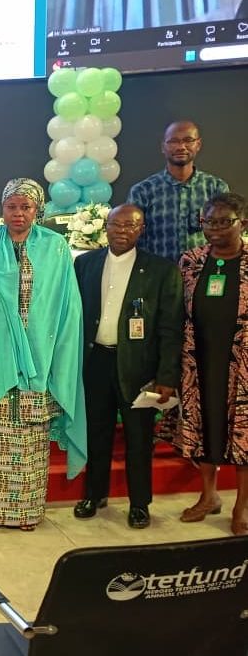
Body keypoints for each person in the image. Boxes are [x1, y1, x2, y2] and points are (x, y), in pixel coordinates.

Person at [0, 178, 87, 530]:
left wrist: (59, 353)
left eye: (26, 207)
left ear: (37, 210)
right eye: (11, 206)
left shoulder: (55, 247)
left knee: (31, 440)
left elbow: (66, 306)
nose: (18, 213)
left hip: (40, 357)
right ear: (2, 209)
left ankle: (27, 513)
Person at [72, 204, 183, 529]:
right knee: (97, 432)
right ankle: (94, 494)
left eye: (130, 226)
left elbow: (171, 328)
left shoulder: (161, 270)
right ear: (105, 227)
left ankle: (139, 504)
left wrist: (166, 376)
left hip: (138, 368)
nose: (122, 231)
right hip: (95, 362)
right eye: (115, 225)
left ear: (141, 230)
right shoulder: (85, 263)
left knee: (138, 438)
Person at [176, 192, 248, 536]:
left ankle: (241, 507)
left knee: (244, 432)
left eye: (223, 222)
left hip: (243, 364)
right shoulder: (191, 261)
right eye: (208, 222)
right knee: (204, 426)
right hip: (199, 360)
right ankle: (209, 496)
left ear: (242, 223)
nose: (215, 229)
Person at [128, 120, 229, 263]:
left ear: (198, 144)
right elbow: (134, 239)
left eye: (188, 140)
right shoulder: (142, 191)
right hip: (158, 272)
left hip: (204, 271)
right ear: (163, 147)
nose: (181, 147)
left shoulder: (216, 188)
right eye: (173, 141)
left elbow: (226, 235)